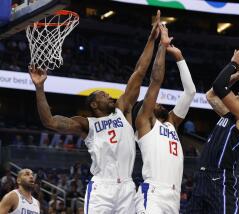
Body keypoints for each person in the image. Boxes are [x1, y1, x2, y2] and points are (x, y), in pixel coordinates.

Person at [29, 10, 162, 214]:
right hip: (102, 188)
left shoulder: (122, 110)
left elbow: (139, 72)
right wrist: (39, 88)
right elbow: (50, 122)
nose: (109, 96)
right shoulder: (86, 124)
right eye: (103, 95)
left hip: (127, 187)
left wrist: (152, 39)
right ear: (93, 105)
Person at [187, 45, 239, 213]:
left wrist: (234, 63)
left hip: (220, 180)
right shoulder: (228, 114)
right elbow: (211, 95)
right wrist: (237, 75)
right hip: (202, 178)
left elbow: (219, 86)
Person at [135, 24, 196, 214]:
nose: (158, 102)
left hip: (174, 196)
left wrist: (179, 57)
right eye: (154, 102)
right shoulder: (145, 122)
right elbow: (155, 80)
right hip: (153, 193)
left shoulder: (171, 123)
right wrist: (162, 46)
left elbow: (190, 92)